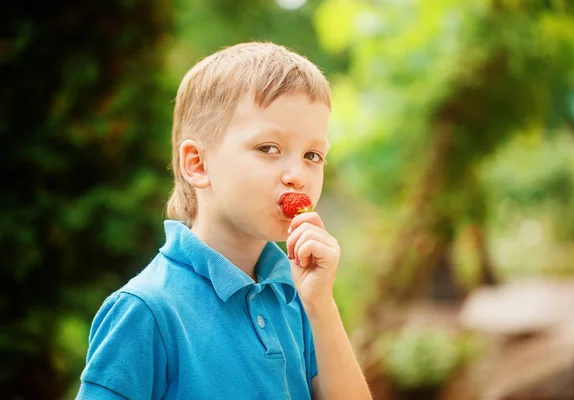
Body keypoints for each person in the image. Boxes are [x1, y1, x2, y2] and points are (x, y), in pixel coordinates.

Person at [76, 41, 372, 400]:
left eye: (313, 155)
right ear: (198, 164)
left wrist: (321, 303)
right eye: (269, 148)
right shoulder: (147, 310)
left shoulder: (295, 297)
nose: (298, 175)